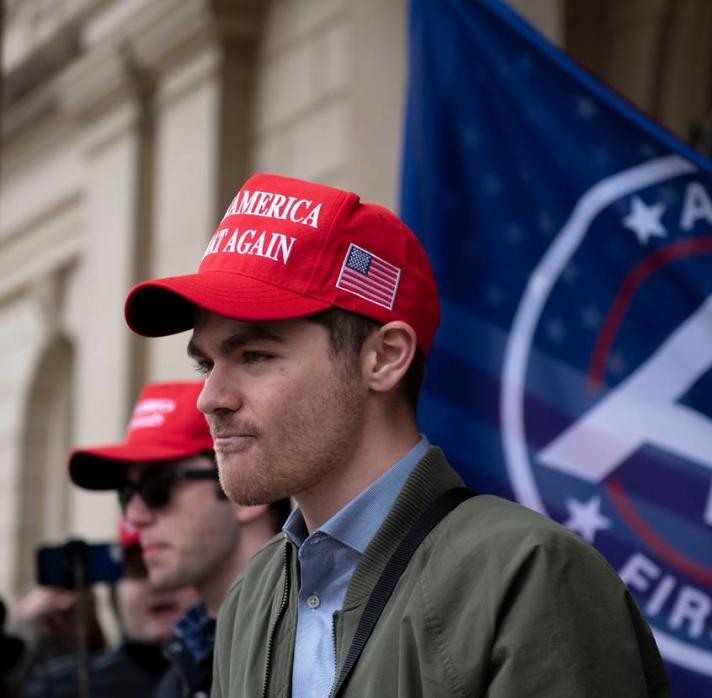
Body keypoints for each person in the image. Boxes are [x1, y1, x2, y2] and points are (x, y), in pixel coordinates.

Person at [123, 174, 670, 697]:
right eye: (206, 365)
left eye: (255, 355)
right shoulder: (252, 595)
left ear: (383, 358)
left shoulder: (530, 576)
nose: (209, 398)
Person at [68, 381, 290, 698]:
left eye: (157, 487)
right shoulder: (181, 667)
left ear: (246, 494)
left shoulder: (318, 642)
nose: (133, 516)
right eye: (126, 494)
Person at [19, 520, 196, 698]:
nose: (157, 583)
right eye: (138, 569)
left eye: (173, 566)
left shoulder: (221, 678)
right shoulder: (59, 689)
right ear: (114, 591)